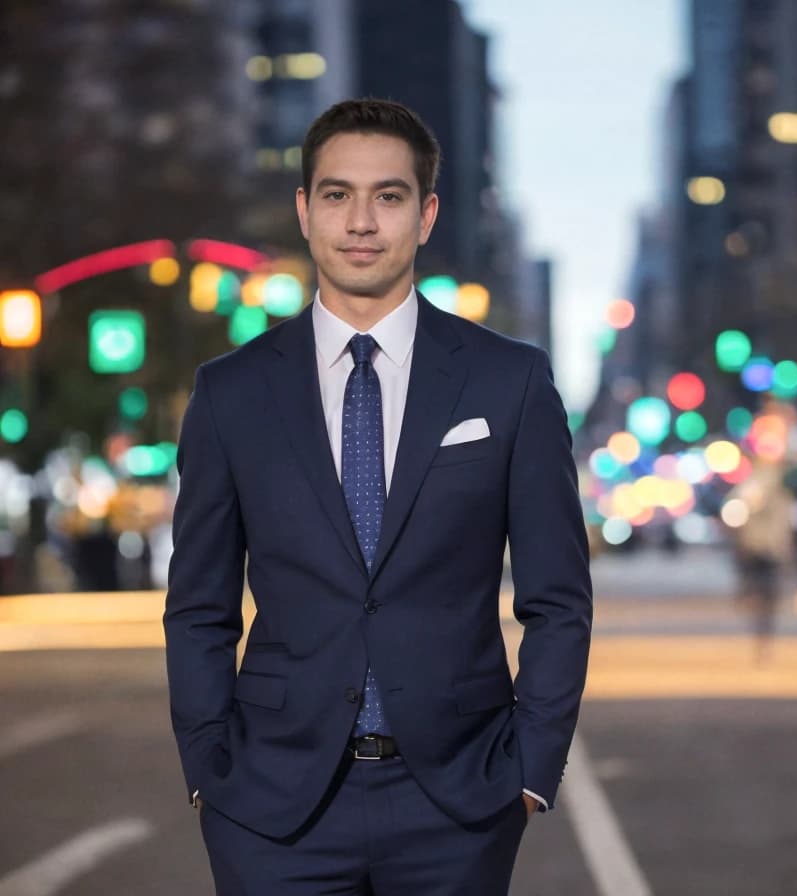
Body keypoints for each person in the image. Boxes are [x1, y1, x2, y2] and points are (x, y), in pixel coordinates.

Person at [163, 98, 593, 894]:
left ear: (426, 215)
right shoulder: (230, 394)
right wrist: (207, 768)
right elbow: (198, 605)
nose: (361, 221)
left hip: (458, 806)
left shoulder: (510, 382)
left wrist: (529, 769)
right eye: (337, 195)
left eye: (388, 196)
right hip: (271, 809)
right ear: (304, 210)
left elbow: (559, 598)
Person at [728, 454, 793, 661]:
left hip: (762, 549)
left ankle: (761, 628)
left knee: (764, 595)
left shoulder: (776, 494)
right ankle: (761, 627)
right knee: (765, 595)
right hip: (762, 549)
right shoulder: (760, 491)